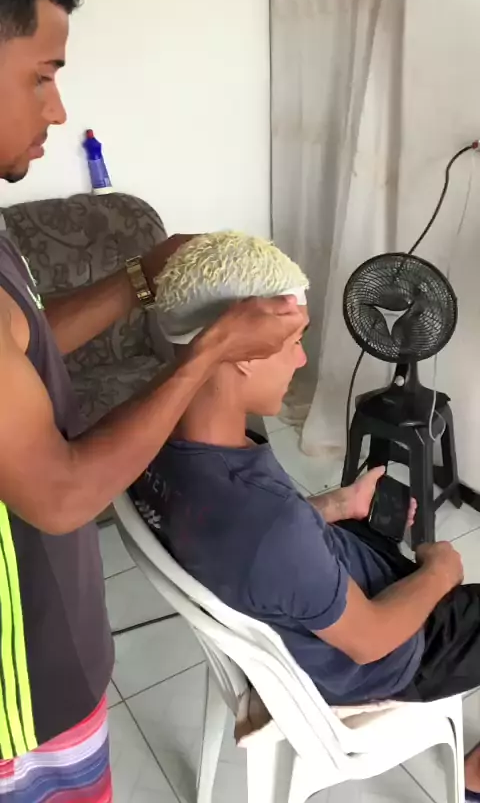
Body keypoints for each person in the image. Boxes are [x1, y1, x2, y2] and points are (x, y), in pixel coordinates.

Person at [0, 0, 305, 801]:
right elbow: (62, 495)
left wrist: (141, 276)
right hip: (19, 690)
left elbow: (26, 341)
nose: (58, 109)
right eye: (42, 76)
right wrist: (206, 351)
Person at [132, 230, 480, 802]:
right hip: (387, 654)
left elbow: (267, 543)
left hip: (314, 584)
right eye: (293, 341)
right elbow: (369, 640)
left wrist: (337, 506)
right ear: (241, 354)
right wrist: (441, 572)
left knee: (378, 528)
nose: (300, 359)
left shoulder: (150, 437)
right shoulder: (269, 529)